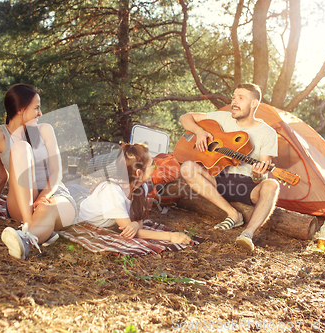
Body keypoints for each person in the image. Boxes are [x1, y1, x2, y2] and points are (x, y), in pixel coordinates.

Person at [179, 83, 279, 251]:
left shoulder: (268, 133)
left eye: (241, 98)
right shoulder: (221, 118)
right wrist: (199, 131)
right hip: (218, 179)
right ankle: (233, 214)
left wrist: (256, 175)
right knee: (187, 168)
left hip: (248, 187)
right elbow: (184, 118)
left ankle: (247, 234)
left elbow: (261, 174)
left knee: (272, 184)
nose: (234, 102)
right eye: (233, 97)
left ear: (254, 103)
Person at [0, 83, 77, 260]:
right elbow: (1, 174)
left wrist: (44, 197)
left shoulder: (44, 130)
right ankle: (29, 225)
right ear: (20, 109)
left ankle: (25, 239)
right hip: (21, 200)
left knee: (46, 209)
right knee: (19, 148)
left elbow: (57, 171)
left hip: (53, 192)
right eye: (36, 108)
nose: (40, 113)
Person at [78, 143, 191, 244]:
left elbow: (138, 220)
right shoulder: (112, 191)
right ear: (138, 172)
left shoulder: (141, 187)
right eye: (152, 165)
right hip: (82, 218)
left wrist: (136, 224)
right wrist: (170, 236)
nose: (155, 168)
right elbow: (130, 232)